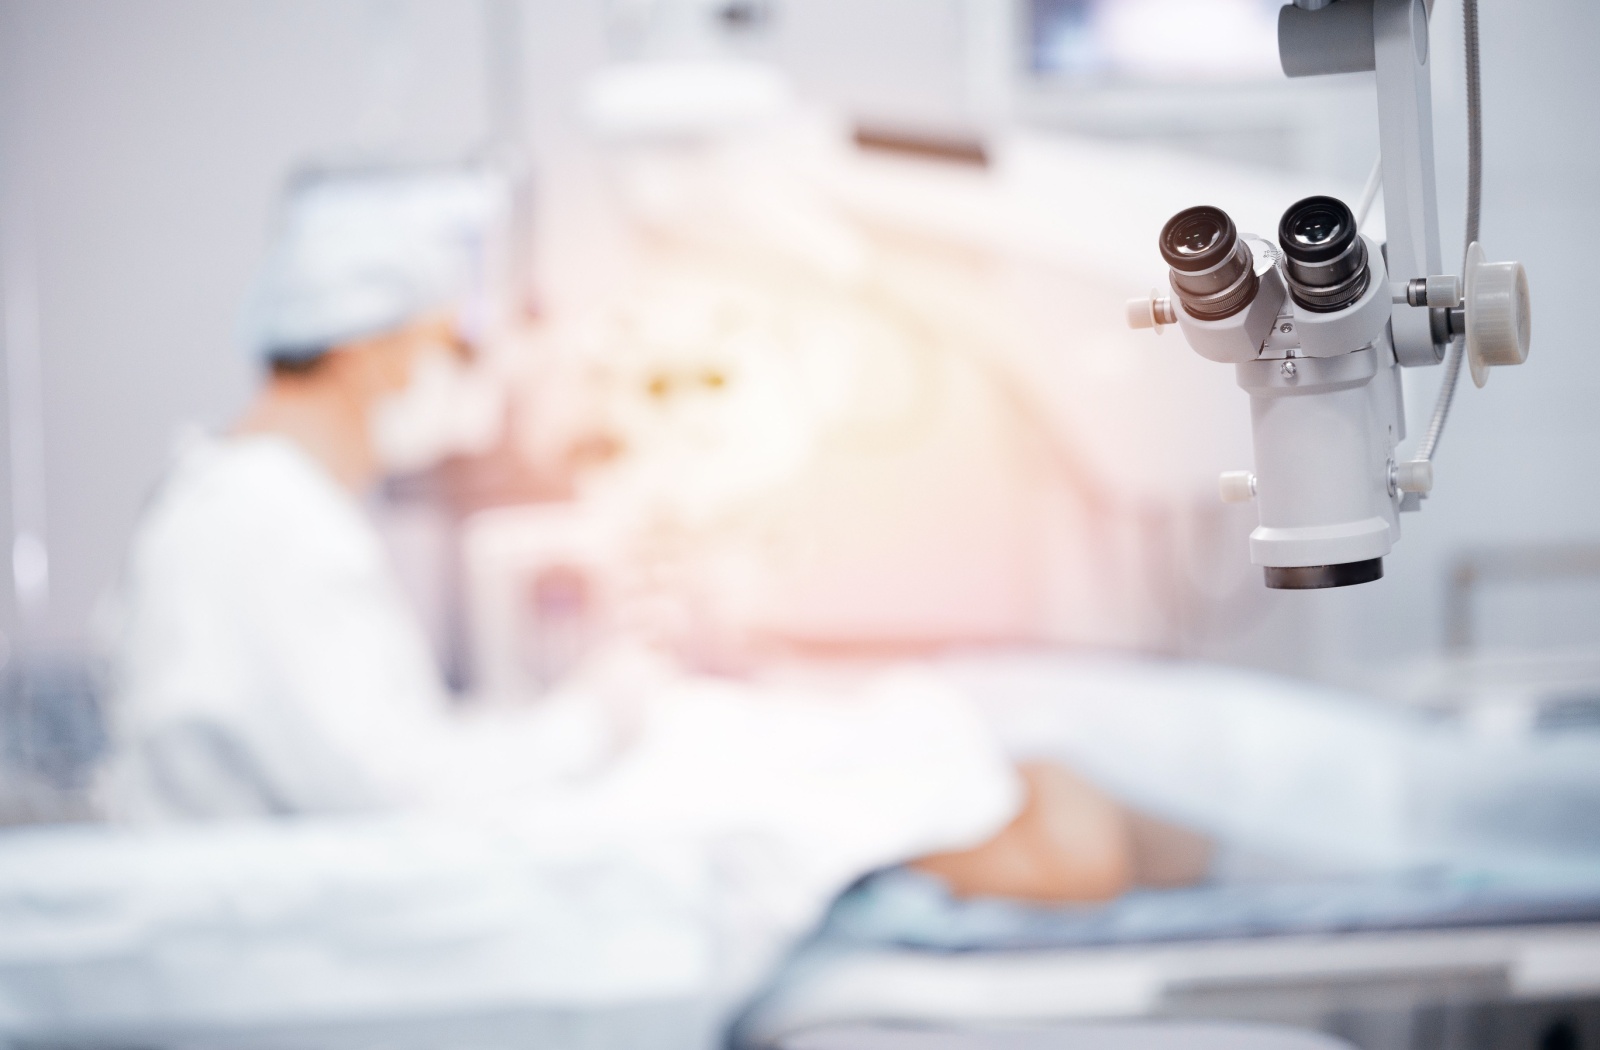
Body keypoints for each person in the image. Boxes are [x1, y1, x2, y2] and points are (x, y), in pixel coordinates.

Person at [102, 164, 1206, 907]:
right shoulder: (267, 525)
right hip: (407, 885)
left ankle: (1040, 808)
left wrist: (603, 707)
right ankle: (1057, 825)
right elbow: (407, 793)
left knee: (866, 744)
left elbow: (387, 770)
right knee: (878, 773)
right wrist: (597, 715)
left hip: (430, 852)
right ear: (373, 348)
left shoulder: (251, 511)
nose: (466, 378)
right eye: (452, 343)